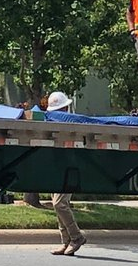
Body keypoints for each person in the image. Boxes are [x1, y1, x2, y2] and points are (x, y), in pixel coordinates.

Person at [46, 91, 86, 256]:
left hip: (70, 169)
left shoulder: (72, 125)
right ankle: (66, 241)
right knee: (58, 204)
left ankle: (76, 237)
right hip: (59, 168)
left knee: (59, 204)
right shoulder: (55, 125)